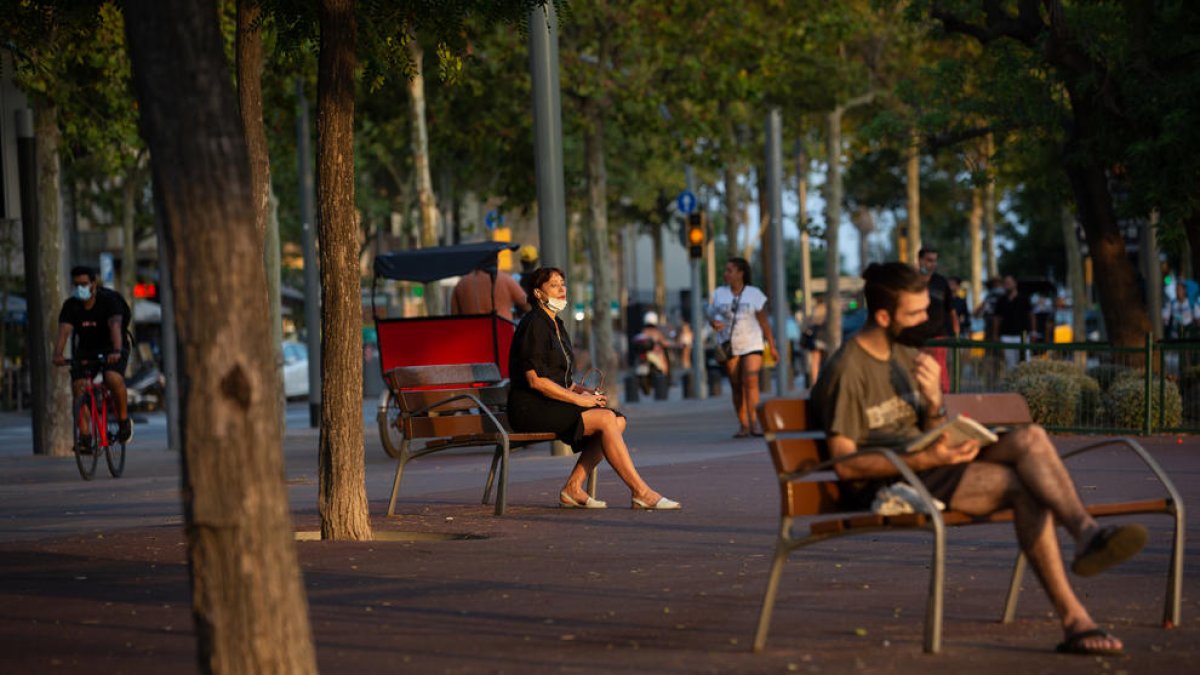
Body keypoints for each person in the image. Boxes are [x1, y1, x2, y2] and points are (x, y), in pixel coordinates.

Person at [810, 261, 1146, 657]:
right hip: (894, 479)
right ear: (883, 316)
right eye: (915, 313)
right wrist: (929, 456)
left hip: (933, 460)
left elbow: (926, 425)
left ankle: (1087, 534)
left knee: (1032, 438)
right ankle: (1076, 620)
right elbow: (846, 466)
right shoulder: (849, 369)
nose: (925, 320)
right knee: (1024, 490)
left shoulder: (904, 353)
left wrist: (935, 405)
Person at [508, 267, 680, 510]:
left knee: (617, 421)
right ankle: (641, 492)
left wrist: (583, 392)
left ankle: (573, 488)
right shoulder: (534, 324)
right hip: (530, 407)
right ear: (538, 293)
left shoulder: (556, 323)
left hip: (553, 402)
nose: (562, 289)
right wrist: (578, 401)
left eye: (563, 284)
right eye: (554, 285)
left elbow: (562, 380)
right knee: (607, 420)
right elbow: (536, 381)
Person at [52, 265, 134, 445]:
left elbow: (115, 325)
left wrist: (117, 350)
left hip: (112, 346)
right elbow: (64, 331)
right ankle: (85, 437)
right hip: (86, 349)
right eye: (76, 285)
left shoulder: (109, 300)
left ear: (94, 284)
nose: (80, 288)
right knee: (79, 386)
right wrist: (57, 354)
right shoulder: (71, 306)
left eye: (84, 284)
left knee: (112, 377)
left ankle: (123, 421)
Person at [706, 257, 779, 438]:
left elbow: (763, 321)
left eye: (730, 270)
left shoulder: (754, 294)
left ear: (741, 273)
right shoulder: (719, 294)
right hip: (730, 345)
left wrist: (772, 345)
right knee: (736, 385)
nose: (726, 274)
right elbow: (710, 315)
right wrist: (713, 324)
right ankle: (743, 424)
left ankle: (755, 423)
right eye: (726, 270)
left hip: (752, 343)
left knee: (751, 381)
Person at [913, 248, 958, 392]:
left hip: (938, 336)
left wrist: (956, 331)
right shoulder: (911, 280)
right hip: (916, 336)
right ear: (920, 260)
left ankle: (944, 402)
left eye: (934, 260)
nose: (932, 264)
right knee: (918, 370)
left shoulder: (941, 282)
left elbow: (951, 309)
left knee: (940, 370)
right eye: (928, 260)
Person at [450, 264, 530, 321]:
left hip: (470, 336)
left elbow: (454, 315)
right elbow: (527, 306)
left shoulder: (461, 283)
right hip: (502, 334)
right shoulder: (505, 280)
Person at [992, 275, 1034, 368]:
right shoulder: (1001, 300)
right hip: (1006, 336)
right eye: (1005, 283)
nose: (1007, 285)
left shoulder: (1024, 298)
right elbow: (997, 318)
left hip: (1023, 336)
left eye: (1009, 282)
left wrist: (1033, 332)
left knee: (1025, 364)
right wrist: (995, 334)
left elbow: (1031, 315)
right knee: (1010, 365)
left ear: (1015, 283)